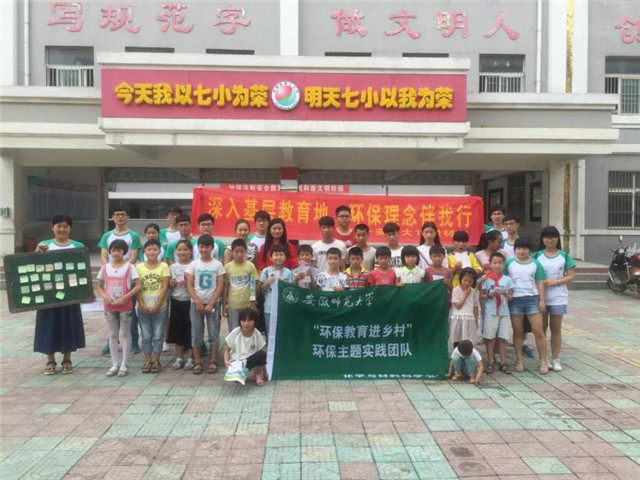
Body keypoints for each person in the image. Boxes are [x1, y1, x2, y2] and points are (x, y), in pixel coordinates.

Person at [34, 215, 86, 375]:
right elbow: (34, 266)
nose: (62, 229)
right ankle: (50, 360)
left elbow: (82, 270)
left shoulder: (78, 246)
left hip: (70, 295)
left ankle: (67, 359)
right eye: (59, 226)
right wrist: (38, 251)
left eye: (65, 226)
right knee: (48, 326)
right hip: (48, 295)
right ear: (52, 227)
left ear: (70, 228)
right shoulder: (44, 245)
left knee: (68, 325)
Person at [98, 205, 143, 355]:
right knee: (112, 311)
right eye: (117, 214)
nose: (120, 217)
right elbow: (104, 256)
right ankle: (111, 341)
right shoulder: (107, 236)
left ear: (127, 217)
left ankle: (134, 342)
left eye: (123, 214)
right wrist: (110, 271)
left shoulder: (133, 236)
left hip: (127, 278)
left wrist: (123, 270)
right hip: (111, 279)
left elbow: (133, 257)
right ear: (112, 217)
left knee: (129, 311)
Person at [533, 226, 576, 373]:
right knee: (541, 329)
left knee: (556, 329)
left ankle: (556, 359)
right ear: (542, 239)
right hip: (541, 297)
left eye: (553, 237)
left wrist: (556, 281)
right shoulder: (536, 255)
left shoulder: (564, 256)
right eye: (546, 237)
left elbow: (571, 276)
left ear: (558, 238)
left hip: (558, 297)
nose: (549, 240)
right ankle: (543, 359)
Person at [96, 239, 141, 377]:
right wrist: (105, 297)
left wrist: (125, 297)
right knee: (112, 334)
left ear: (124, 252)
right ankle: (114, 364)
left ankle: (124, 364)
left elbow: (138, 285)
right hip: (109, 306)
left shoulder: (130, 267)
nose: (116, 253)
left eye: (119, 250)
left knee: (125, 334)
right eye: (113, 250)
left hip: (125, 305)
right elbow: (99, 286)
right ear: (110, 251)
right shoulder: (105, 268)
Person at [504, 238, 548, 374]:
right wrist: (507, 293)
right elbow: (504, 280)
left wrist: (542, 300)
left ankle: (544, 361)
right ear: (514, 250)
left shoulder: (536, 263)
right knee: (518, 332)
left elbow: (540, 282)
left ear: (529, 250)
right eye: (518, 248)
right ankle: (519, 360)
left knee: (538, 331)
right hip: (515, 300)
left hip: (532, 299)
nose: (521, 251)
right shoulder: (509, 262)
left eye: (524, 248)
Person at [186, 235, 226, 375]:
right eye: (201, 247)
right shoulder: (193, 264)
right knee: (196, 333)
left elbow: (220, 285)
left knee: (213, 333)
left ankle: (213, 360)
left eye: (207, 247)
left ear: (212, 248)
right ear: (198, 247)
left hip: (213, 304)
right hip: (196, 304)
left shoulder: (218, 265)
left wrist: (212, 303)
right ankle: (197, 361)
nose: (204, 249)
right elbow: (189, 285)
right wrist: (197, 301)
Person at [136, 239, 171, 374]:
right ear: (144, 251)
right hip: (143, 307)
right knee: (146, 335)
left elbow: (165, 286)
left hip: (160, 307)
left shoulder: (164, 266)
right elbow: (137, 288)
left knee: (157, 335)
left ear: (159, 251)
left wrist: (158, 304)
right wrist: (141, 304)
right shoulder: (139, 267)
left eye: (155, 249)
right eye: (149, 249)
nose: (152, 252)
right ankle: (147, 360)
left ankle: (156, 360)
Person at [480, 252, 513, 374]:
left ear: (503, 265)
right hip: (491, 311)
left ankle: (503, 362)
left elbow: (511, 297)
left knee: (503, 337)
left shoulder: (507, 279)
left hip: (504, 312)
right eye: (494, 263)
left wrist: (507, 295)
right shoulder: (486, 279)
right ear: (490, 264)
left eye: (500, 263)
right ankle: (490, 361)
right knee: (490, 337)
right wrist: (489, 295)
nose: (497, 265)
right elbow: (481, 296)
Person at [168, 240, 195, 370]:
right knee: (177, 329)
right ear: (176, 252)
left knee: (191, 329)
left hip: (190, 301)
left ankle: (191, 357)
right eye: (179, 250)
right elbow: (168, 284)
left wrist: (189, 283)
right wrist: (171, 284)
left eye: (185, 249)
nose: (182, 252)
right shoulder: (173, 267)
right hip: (176, 301)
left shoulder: (194, 265)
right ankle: (179, 358)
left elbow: (197, 284)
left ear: (191, 251)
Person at [223, 309, 268, 387]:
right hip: (236, 361)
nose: (246, 323)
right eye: (243, 321)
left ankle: (257, 375)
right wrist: (226, 361)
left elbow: (262, 356)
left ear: (254, 321)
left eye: (249, 320)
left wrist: (265, 372)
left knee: (262, 354)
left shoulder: (256, 334)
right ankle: (238, 374)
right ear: (240, 321)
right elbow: (227, 349)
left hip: (250, 361)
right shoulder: (236, 332)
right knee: (237, 378)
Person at [223, 239, 258, 331]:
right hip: (232, 305)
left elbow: (253, 285)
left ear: (245, 252)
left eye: (242, 251)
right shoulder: (227, 267)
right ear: (232, 252)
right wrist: (224, 304)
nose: (239, 254)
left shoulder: (250, 266)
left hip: (247, 304)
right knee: (234, 330)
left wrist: (253, 303)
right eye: (236, 252)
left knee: (247, 329)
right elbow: (226, 287)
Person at [259, 245, 294, 335]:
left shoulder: (288, 272)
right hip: (269, 307)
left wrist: (283, 283)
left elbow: (290, 290)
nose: (279, 257)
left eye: (281, 255)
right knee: (270, 332)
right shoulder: (266, 271)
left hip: (283, 308)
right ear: (271, 257)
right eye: (276, 255)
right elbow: (262, 290)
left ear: (285, 257)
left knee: (282, 332)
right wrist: (268, 282)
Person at [449, 268, 480, 348]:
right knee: (457, 340)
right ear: (461, 279)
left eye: (470, 282)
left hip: (469, 318)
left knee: (468, 341)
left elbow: (475, 306)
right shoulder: (456, 290)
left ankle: (466, 354)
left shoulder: (474, 291)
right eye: (465, 280)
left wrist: (476, 319)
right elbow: (458, 306)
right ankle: (456, 354)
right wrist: (465, 295)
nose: (467, 283)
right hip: (458, 318)